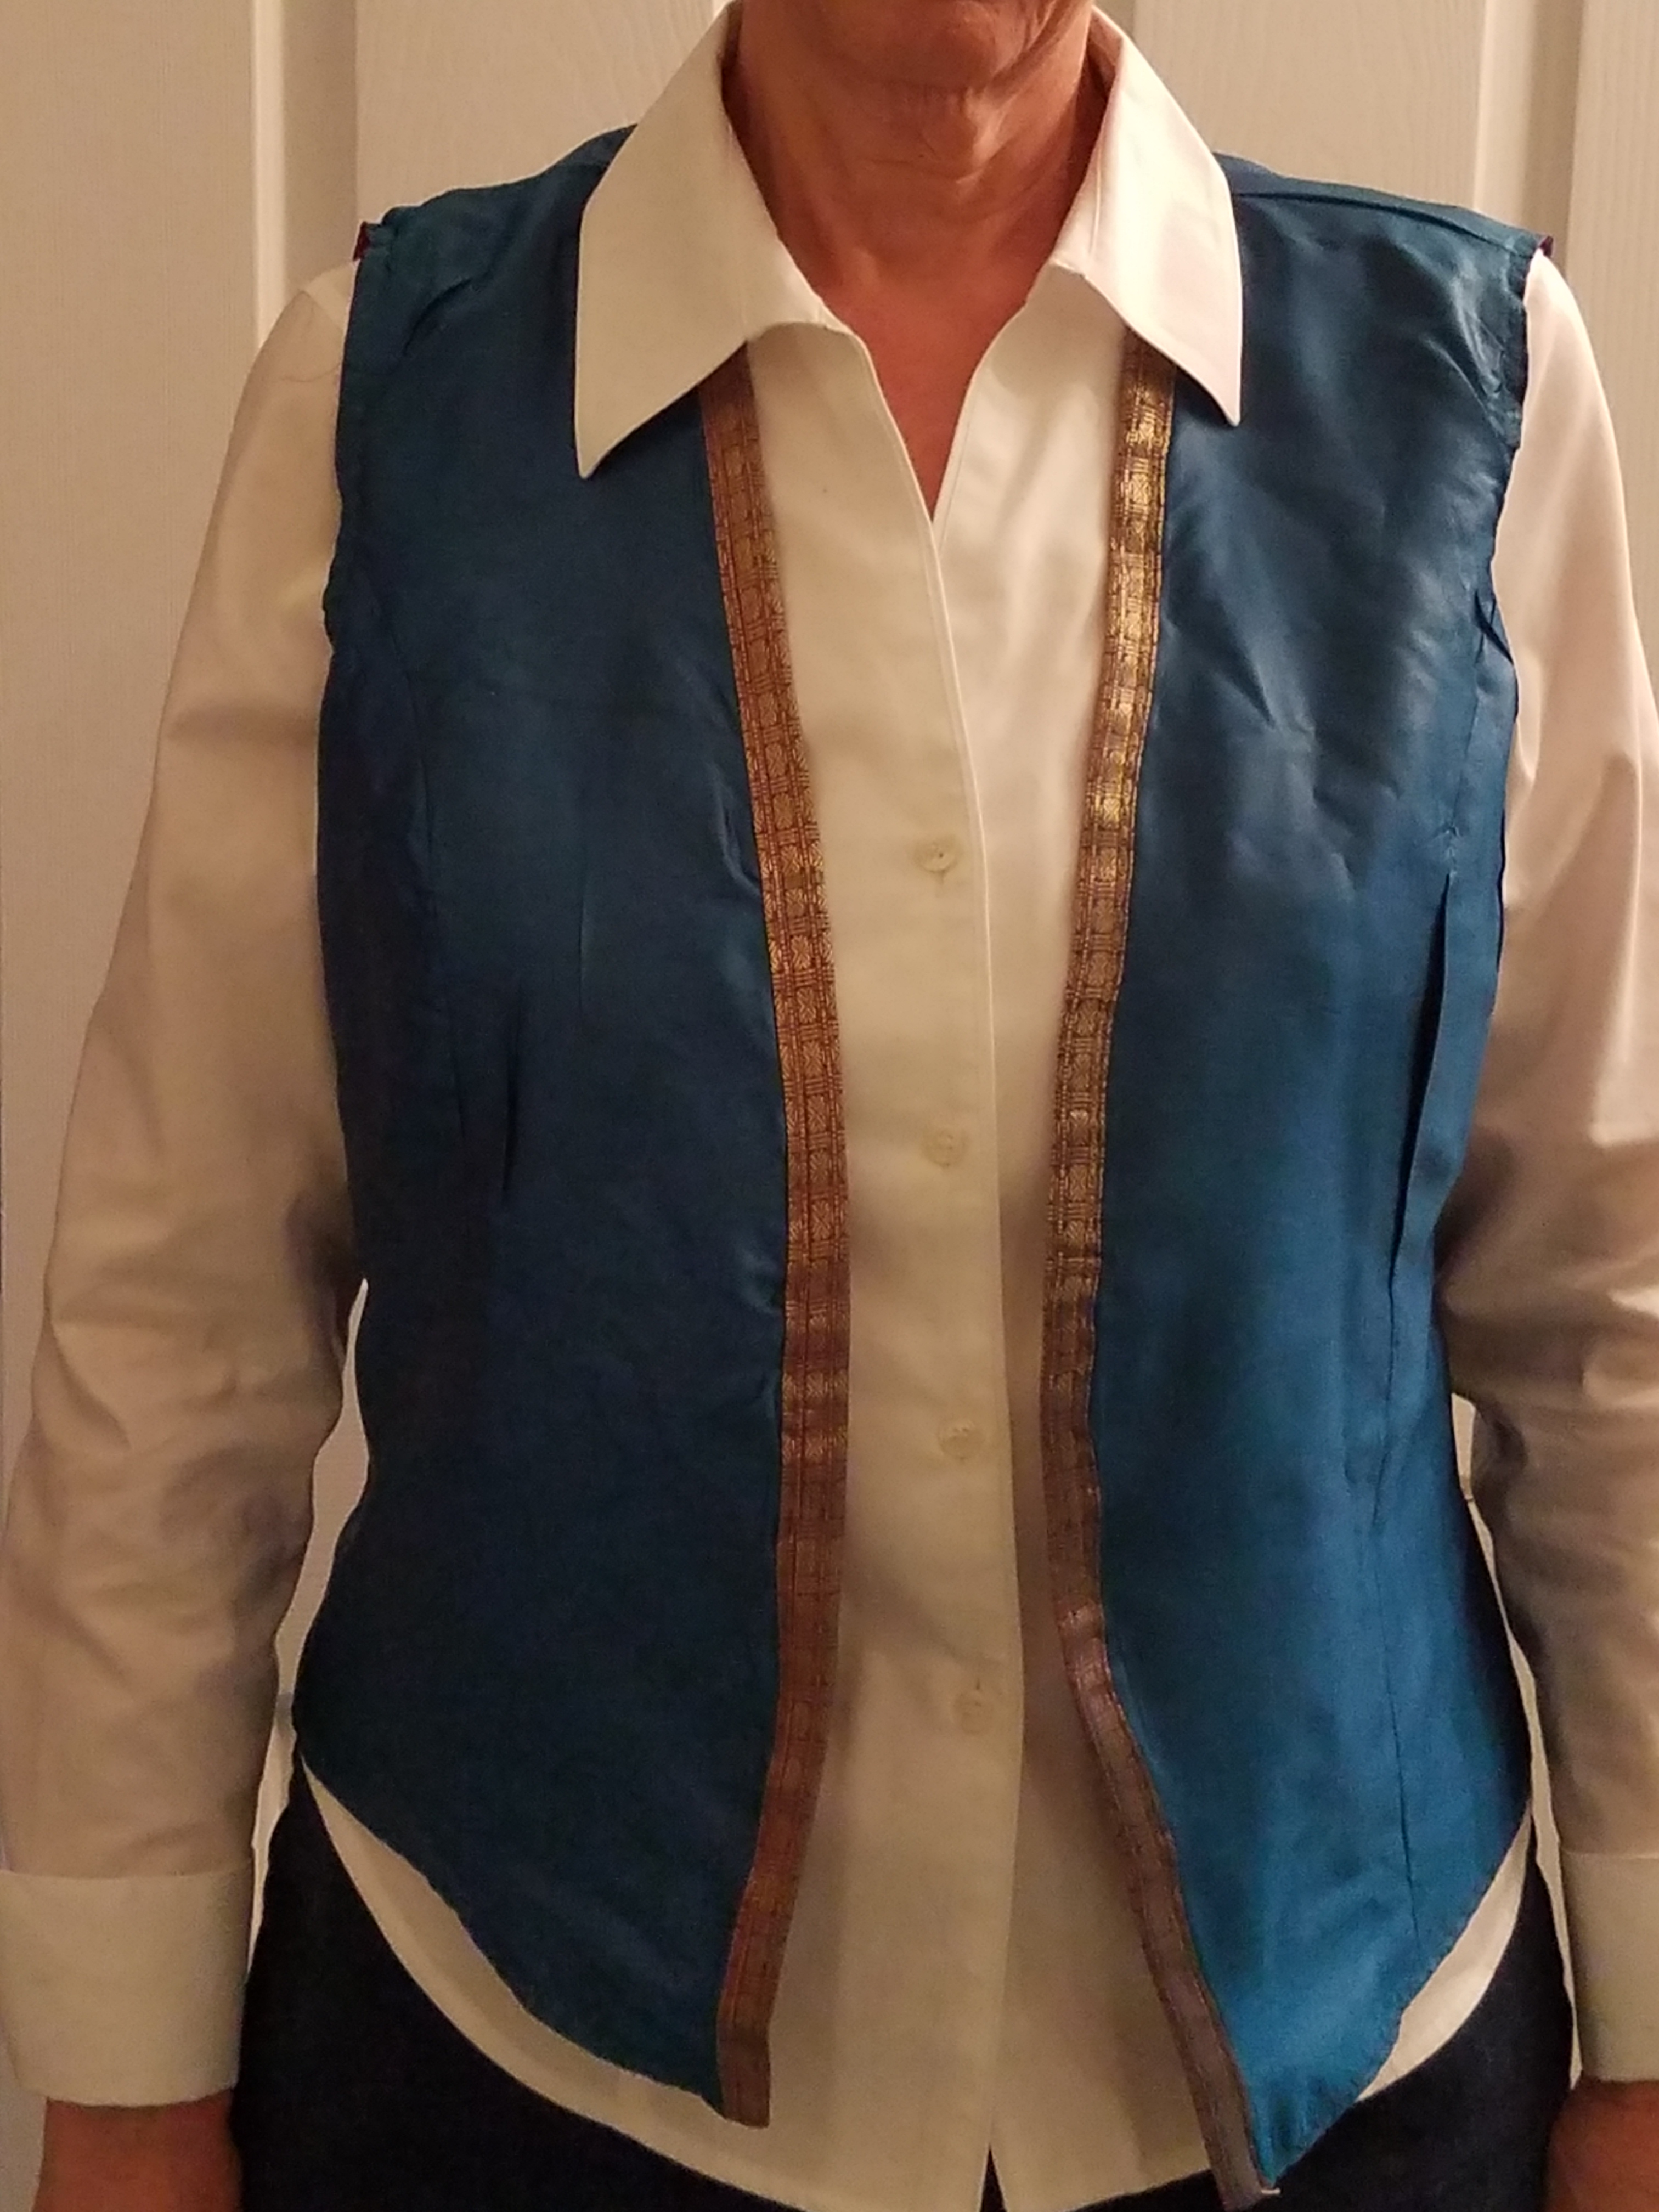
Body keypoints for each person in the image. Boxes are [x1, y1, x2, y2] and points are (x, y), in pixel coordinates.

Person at [2, 1, 1658, 2207]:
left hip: (1354, 2077)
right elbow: (185, 1300)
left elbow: (1610, 1292)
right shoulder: (386, 402)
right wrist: (124, 2073)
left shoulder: (1475, 396)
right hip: (516, 2075)